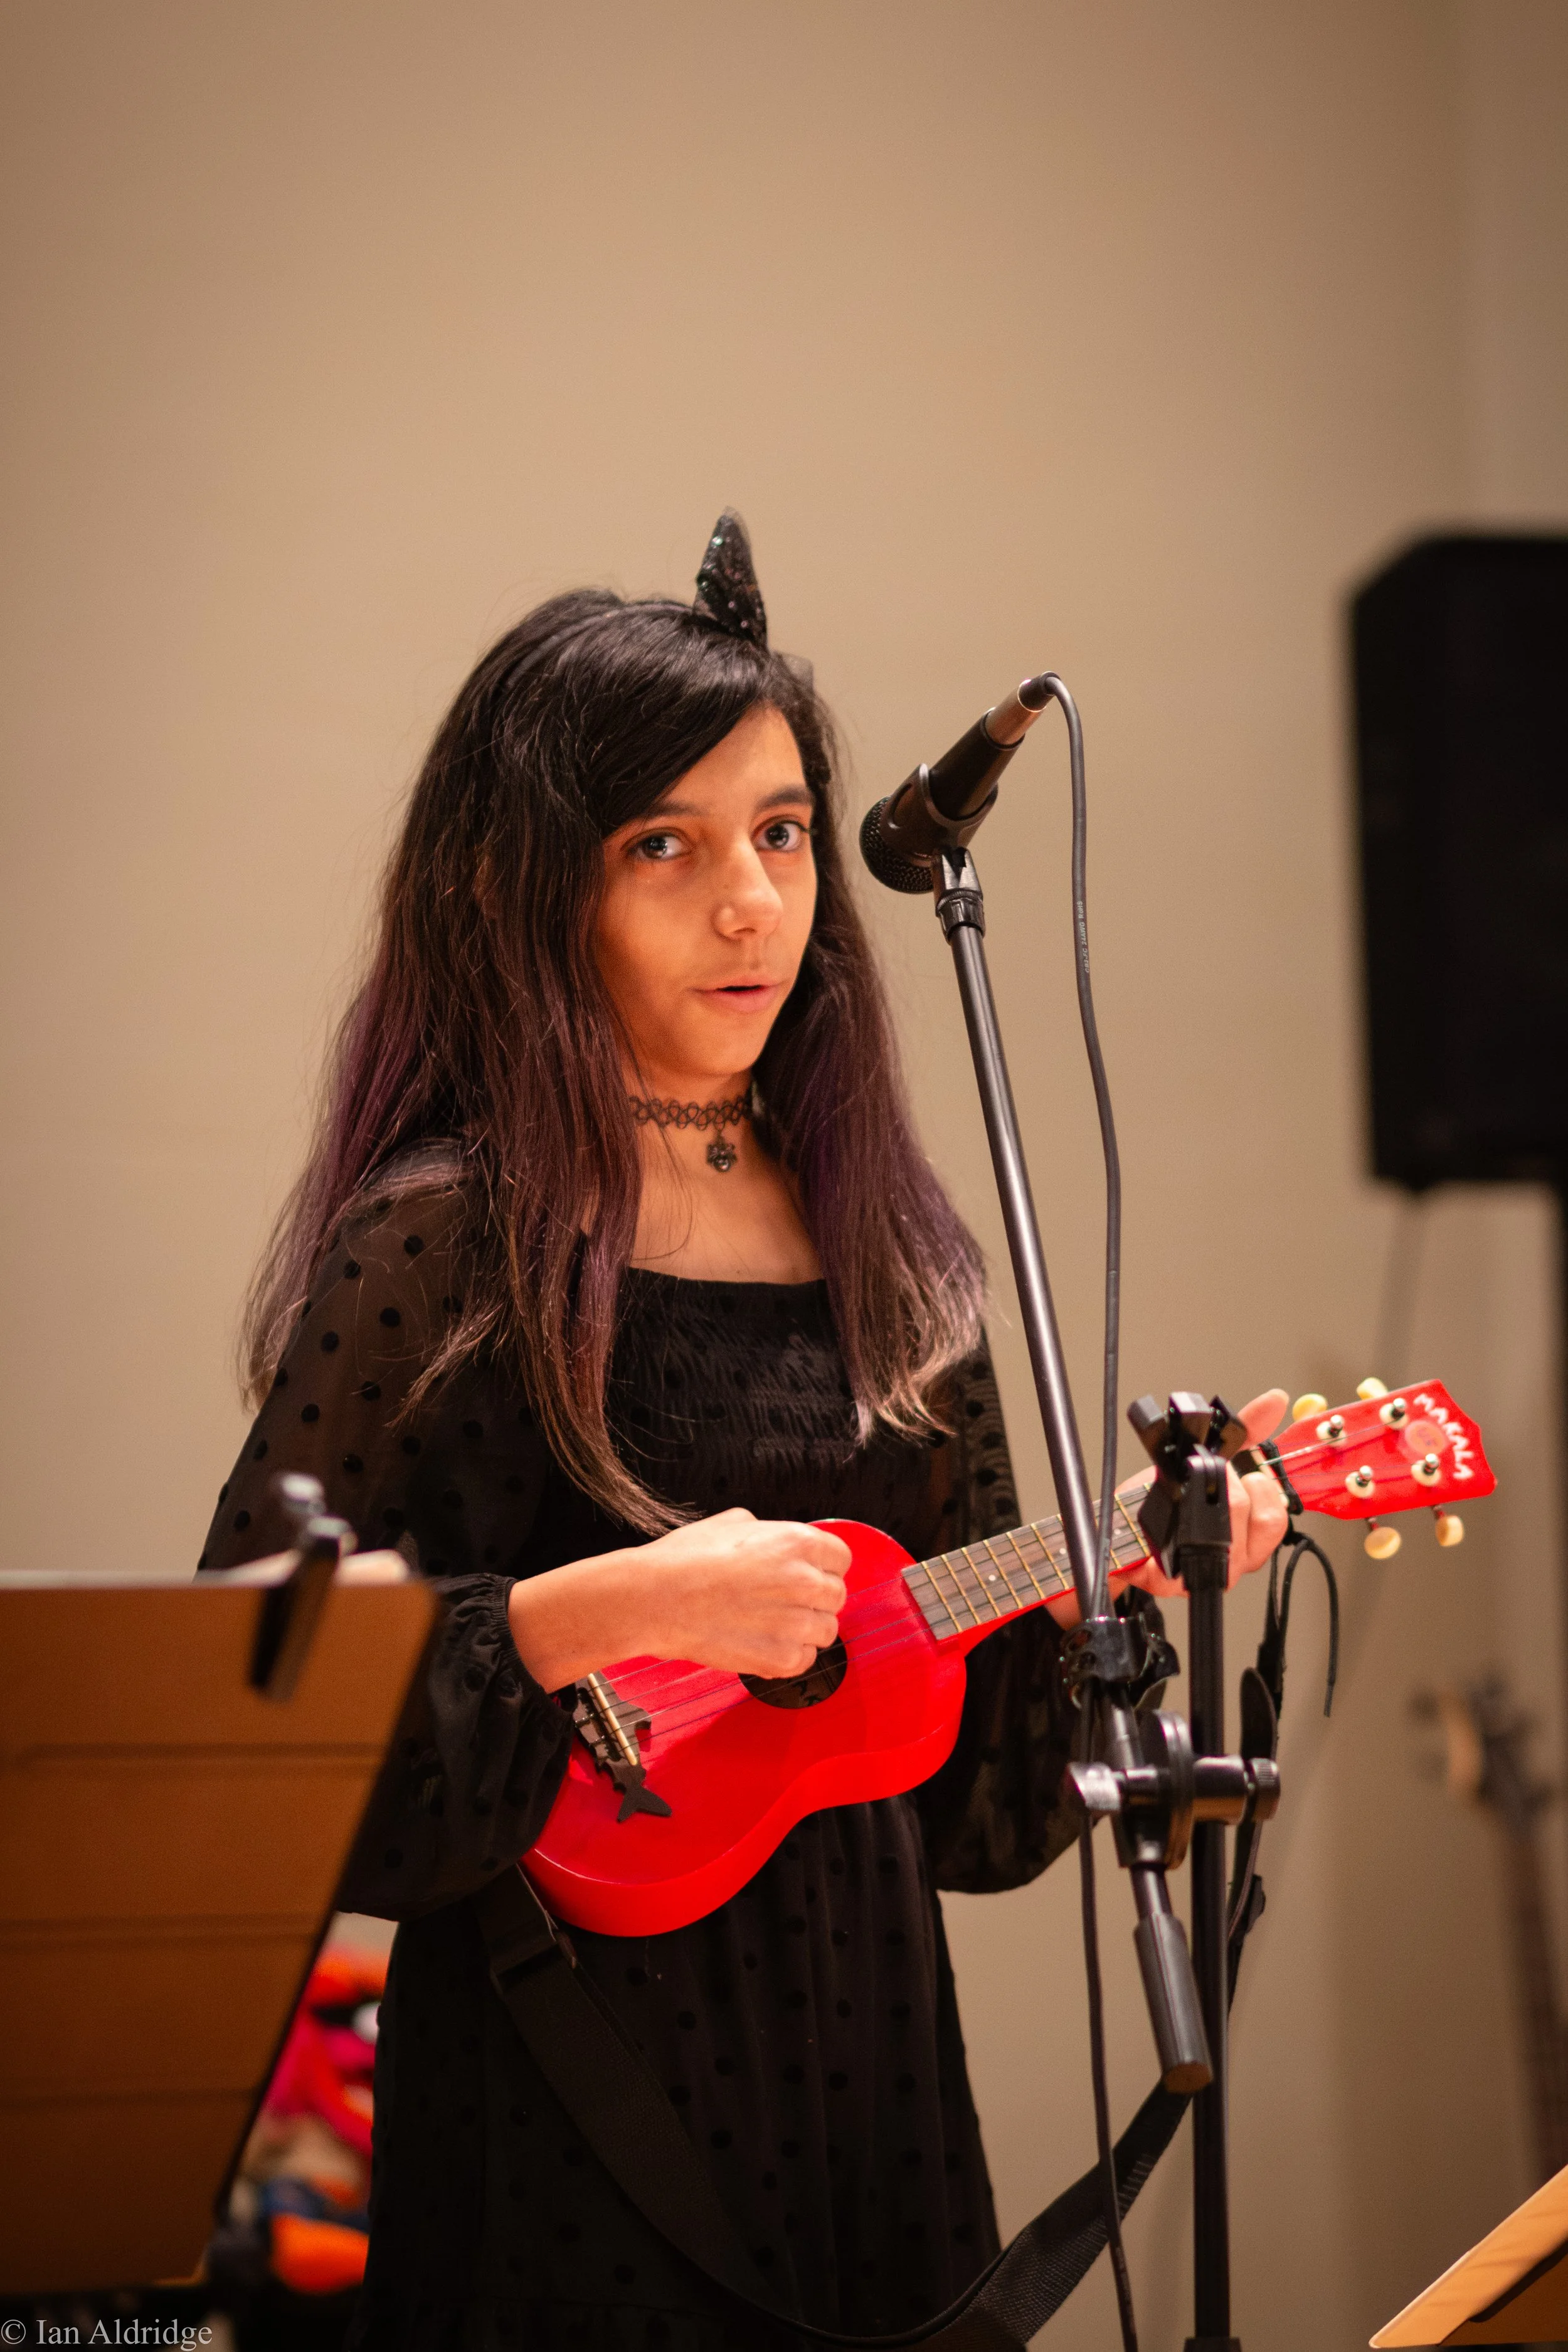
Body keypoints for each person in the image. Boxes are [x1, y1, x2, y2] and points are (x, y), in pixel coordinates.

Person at [201, 516, 1288, 2349]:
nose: (753, 903)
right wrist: (597, 1610)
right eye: (665, 848)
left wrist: (1122, 1574)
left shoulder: (890, 1247)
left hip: (868, 2075)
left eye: (782, 833)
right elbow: (250, 1707)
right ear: (528, 889)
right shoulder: (444, 1237)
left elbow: (988, 1809)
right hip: (563, 2102)